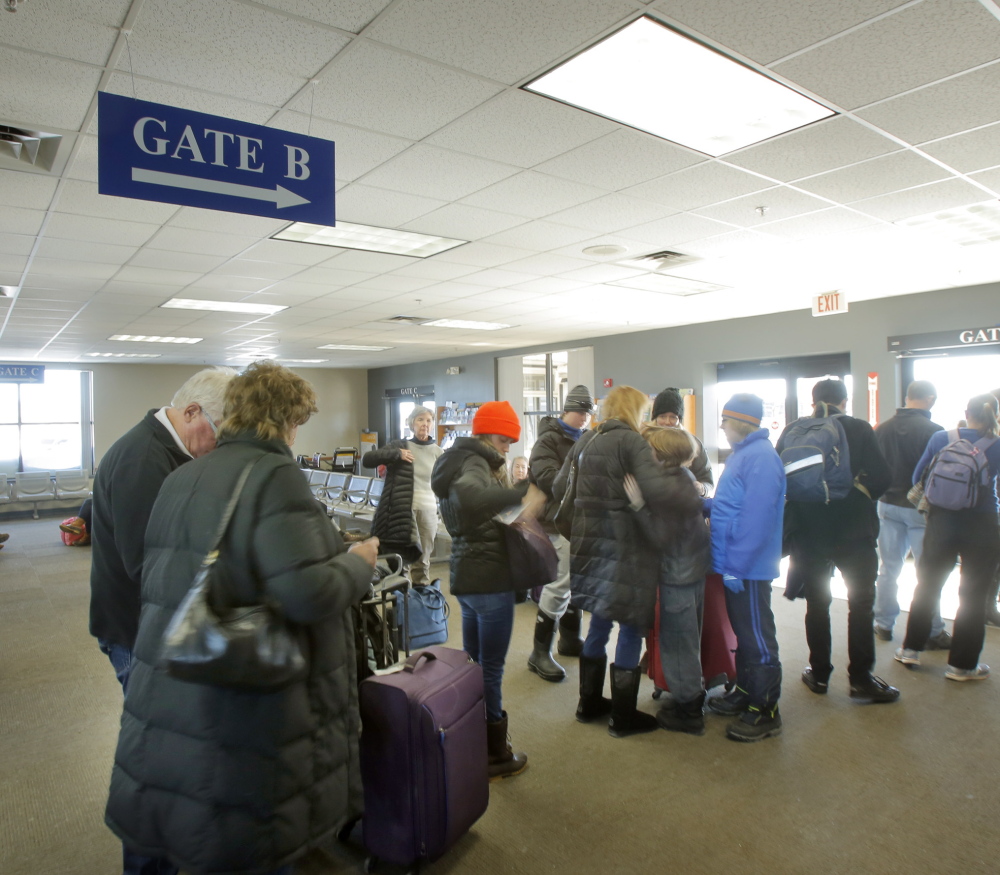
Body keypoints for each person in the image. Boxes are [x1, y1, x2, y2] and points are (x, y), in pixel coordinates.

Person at [105, 360, 379, 875]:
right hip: (241, 694)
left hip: (172, 675)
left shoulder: (183, 475)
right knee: (244, 832)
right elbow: (306, 594)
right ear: (286, 421)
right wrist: (356, 564)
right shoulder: (276, 475)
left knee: (178, 812)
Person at [89, 366, 237, 696]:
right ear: (191, 412)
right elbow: (148, 564)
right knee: (152, 729)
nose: (221, 446)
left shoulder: (175, 452)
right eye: (220, 433)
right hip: (136, 628)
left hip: (157, 620)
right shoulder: (142, 460)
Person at [431, 400, 546, 779]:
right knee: (491, 669)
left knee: (473, 665)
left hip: (466, 577)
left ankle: (470, 740)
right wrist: (520, 494)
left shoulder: (455, 460)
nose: (507, 447)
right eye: (504, 438)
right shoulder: (475, 463)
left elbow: (475, 511)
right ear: (486, 433)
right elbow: (473, 499)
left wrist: (516, 506)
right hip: (488, 579)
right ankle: (495, 755)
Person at [554, 385, 670, 739]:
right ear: (635, 411)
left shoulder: (586, 441)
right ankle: (622, 715)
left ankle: (587, 704)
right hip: (627, 549)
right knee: (632, 625)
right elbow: (656, 493)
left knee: (600, 623)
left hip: (590, 548)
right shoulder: (633, 443)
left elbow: (560, 488)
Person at [777, 379, 899, 704]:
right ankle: (860, 678)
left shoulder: (794, 431)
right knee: (860, 604)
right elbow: (884, 477)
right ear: (845, 400)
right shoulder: (859, 428)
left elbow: (780, 477)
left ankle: (818, 674)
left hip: (809, 531)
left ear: (813, 400)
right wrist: (859, 493)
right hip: (854, 532)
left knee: (818, 604)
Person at [896, 393, 1000, 681]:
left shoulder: (942, 437)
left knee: (927, 586)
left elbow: (919, 476)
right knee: (973, 595)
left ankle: (910, 650)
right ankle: (962, 666)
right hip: (982, 525)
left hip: (941, 522)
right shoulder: (997, 444)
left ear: (966, 412)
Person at [704, 394, 786, 742]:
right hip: (735, 564)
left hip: (747, 567)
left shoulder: (761, 459)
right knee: (743, 633)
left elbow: (757, 521)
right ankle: (746, 692)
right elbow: (732, 506)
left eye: (724, 420)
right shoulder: (745, 455)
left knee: (757, 636)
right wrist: (703, 504)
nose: (721, 427)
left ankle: (766, 709)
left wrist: (736, 566)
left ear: (740, 421)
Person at [626, 425, 710, 735]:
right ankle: (688, 696)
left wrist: (638, 507)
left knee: (678, 641)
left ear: (662, 456)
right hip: (694, 568)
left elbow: (659, 537)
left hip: (677, 574)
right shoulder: (686, 478)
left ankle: (689, 709)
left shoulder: (667, 489)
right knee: (688, 637)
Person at [525, 384, 593, 683]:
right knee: (560, 582)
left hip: (579, 521)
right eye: (580, 412)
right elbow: (551, 480)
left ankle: (569, 639)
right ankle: (539, 653)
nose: (585, 418)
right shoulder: (547, 441)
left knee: (575, 579)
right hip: (555, 522)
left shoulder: (588, 438)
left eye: (588, 413)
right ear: (568, 410)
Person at [873, 380, 949, 645]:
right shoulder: (935, 432)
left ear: (907, 398)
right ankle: (933, 629)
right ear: (929, 399)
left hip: (887, 505)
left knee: (888, 568)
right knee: (927, 572)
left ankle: (882, 623)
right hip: (920, 508)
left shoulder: (881, 429)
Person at [361, 405, 443, 585]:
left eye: (428, 420)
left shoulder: (438, 452)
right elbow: (367, 460)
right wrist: (396, 454)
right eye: (420, 420)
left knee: (423, 559)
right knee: (402, 558)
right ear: (412, 423)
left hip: (428, 510)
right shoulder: (400, 446)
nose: (425, 424)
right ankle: (403, 597)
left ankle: (422, 600)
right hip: (403, 511)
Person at [651, 387, 713, 496]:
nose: (667, 422)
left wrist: (702, 488)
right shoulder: (644, 441)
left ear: (679, 419)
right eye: (662, 416)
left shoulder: (693, 444)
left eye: (673, 417)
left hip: (684, 504)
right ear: (655, 418)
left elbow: (708, 481)